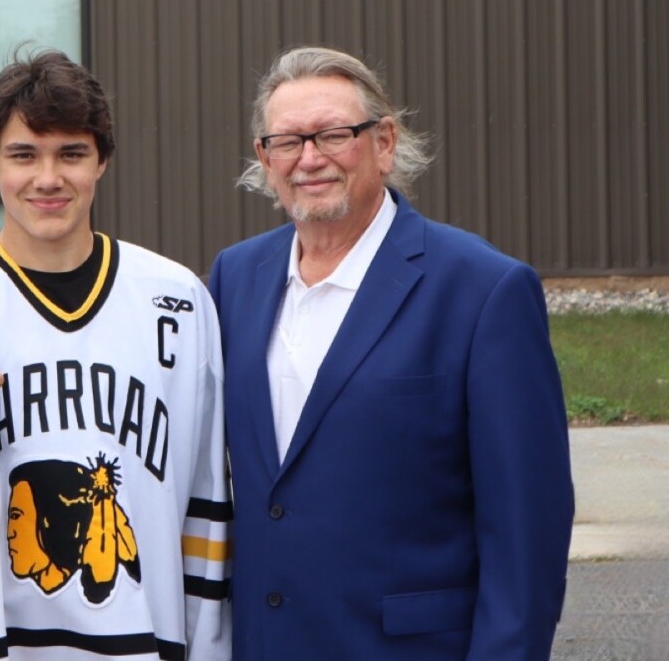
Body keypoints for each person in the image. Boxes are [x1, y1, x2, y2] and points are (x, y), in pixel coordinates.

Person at [208, 46, 574, 659]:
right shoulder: (234, 278)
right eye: (288, 142)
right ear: (264, 160)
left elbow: (527, 532)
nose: (310, 159)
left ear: (384, 142)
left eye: (332, 135)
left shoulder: (482, 289)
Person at [0, 51, 230, 661]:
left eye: (71, 154)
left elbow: (206, 506)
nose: (47, 178)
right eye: (23, 155)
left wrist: (209, 648)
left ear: (102, 162)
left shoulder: (179, 297)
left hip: (146, 642)